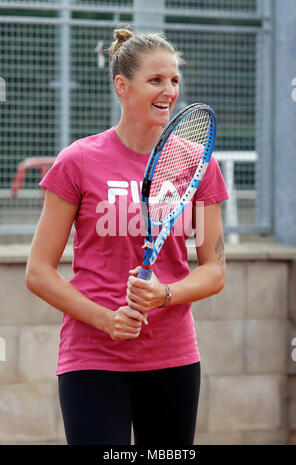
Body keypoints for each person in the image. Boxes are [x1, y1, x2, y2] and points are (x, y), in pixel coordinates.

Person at [26, 28, 229, 446]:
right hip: (92, 358)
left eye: (174, 80)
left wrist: (165, 294)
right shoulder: (77, 161)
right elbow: (38, 272)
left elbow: (215, 270)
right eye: (155, 80)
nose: (168, 91)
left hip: (173, 358)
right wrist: (106, 319)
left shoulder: (199, 165)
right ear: (122, 86)